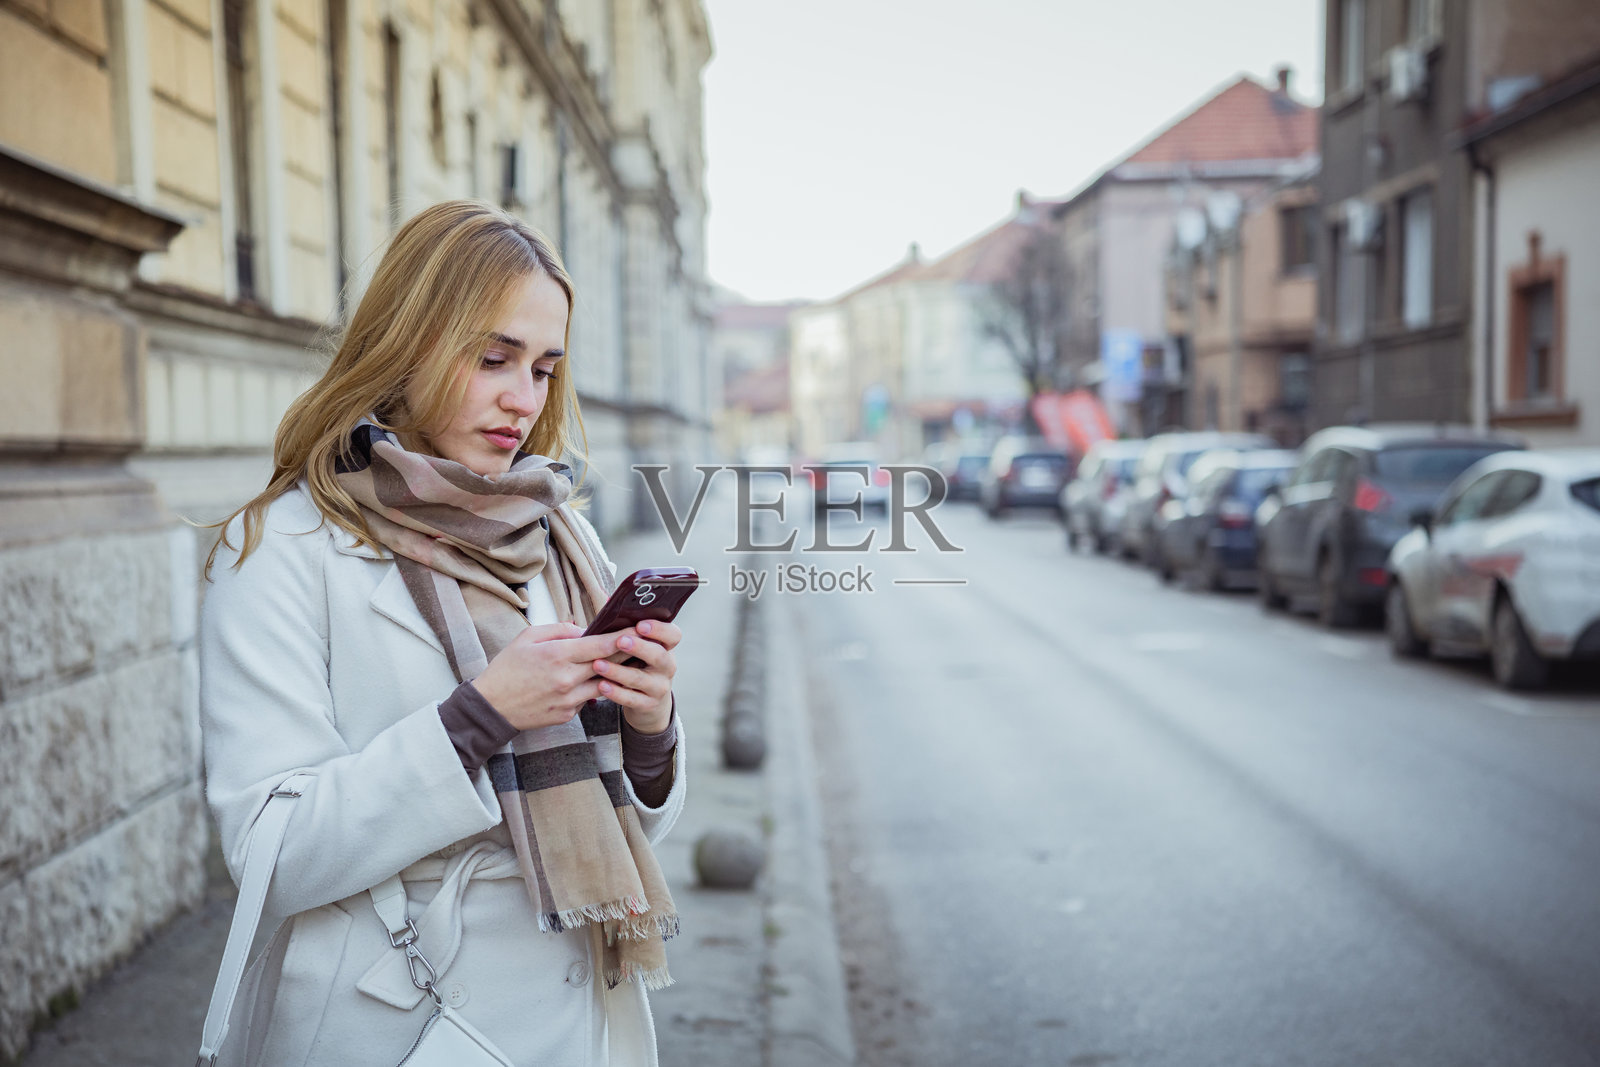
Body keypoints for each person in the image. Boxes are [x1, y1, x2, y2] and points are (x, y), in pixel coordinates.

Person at [199, 200, 685, 1067]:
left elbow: (623, 818)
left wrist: (650, 730)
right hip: (395, 1013)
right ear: (409, 343)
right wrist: (480, 716)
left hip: (578, 1011)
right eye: (493, 358)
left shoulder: (560, 534)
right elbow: (271, 853)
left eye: (543, 369)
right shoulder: (282, 546)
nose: (522, 399)